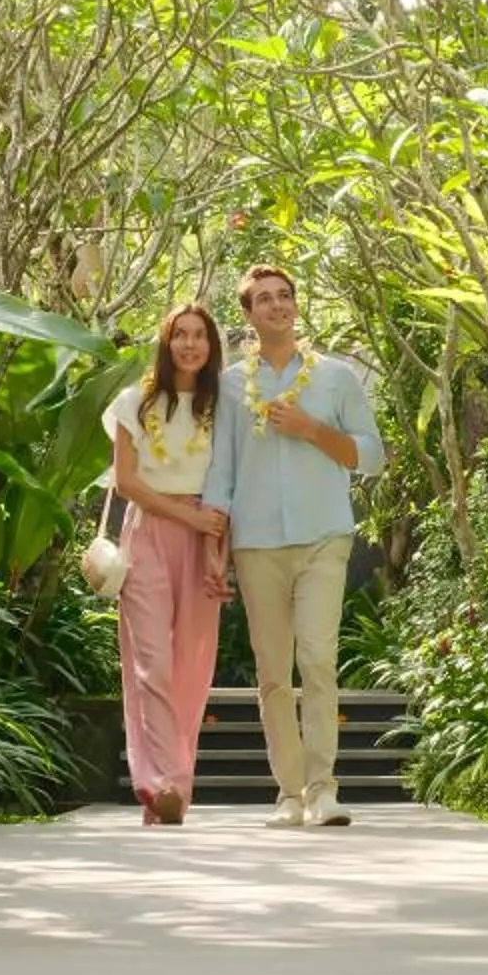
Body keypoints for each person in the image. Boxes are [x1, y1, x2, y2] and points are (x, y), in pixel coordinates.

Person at [202, 264, 383, 829]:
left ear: (296, 307)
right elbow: (221, 473)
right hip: (256, 543)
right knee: (274, 672)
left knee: (318, 659)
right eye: (264, 299)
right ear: (248, 314)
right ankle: (288, 792)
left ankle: (324, 788)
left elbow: (371, 456)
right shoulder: (232, 385)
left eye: (285, 296)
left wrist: (310, 429)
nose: (277, 305)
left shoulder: (336, 378)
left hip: (323, 536)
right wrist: (216, 549)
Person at [105, 302, 235, 826]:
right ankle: (162, 785)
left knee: (192, 666)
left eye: (198, 335)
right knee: (150, 662)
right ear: (166, 341)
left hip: (206, 533)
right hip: (150, 533)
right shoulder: (134, 401)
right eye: (179, 334)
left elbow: (226, 481)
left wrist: (213, 545)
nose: (189, 344)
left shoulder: (224, 407)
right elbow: (126, 480)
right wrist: (187, 518)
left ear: (211, 345)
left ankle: (174, 787)